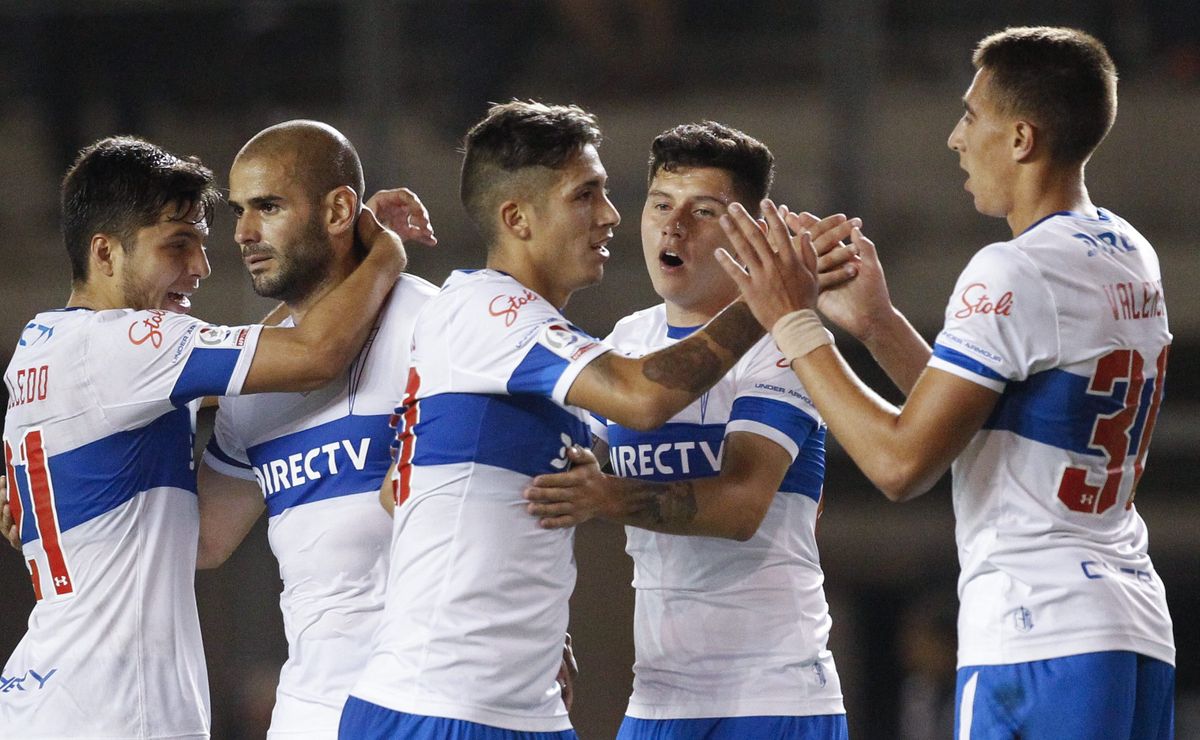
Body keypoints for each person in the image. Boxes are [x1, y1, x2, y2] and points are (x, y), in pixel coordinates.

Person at [716, 26, 1174, 739]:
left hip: (1036, 635)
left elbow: (901, 464)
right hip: (1128, 626)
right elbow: (996, 419)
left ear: (1020, 138)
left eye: (970, 116)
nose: (956, 139)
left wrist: (790, 321)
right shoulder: (1127, 250)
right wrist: (878, 324)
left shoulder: (1014, 269)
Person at [342, 101, 769, 739]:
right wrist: (769, 298)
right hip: (439, 707)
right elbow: (643, 398)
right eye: (586, 195)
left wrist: (535, 628)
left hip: (520, 706)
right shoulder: (489, 309)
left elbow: (398, 492)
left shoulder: (532, 341)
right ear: (517, 217)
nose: (610, 216)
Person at [0, 135, 406, 738]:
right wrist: (385, 255)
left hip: (50, 691)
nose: (200, 268)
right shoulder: (127, 346)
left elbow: (204, 540)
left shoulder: (46, 348)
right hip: (114, 707)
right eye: (178, 244)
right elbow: (315, 352)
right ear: (105, 253)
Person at [521, 121, 856, 739]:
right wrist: (540, 626)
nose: (674, 227)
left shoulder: (786, 341)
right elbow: (560, 485)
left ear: (749, 232)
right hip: (659, 696)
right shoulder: (628, 341)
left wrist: (608, 497)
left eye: (703, 212)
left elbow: (740, 507)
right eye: (660, 206)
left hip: (772, 694)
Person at [193, 120, 439, 739]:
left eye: (268, 207)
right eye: (239, 211)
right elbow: (201, 539)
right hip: (310, 711)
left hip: (435, 699)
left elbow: (513, 493)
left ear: (337, 210)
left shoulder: (435, 328)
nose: (245, 233)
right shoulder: (253, 384)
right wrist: (54, 509)